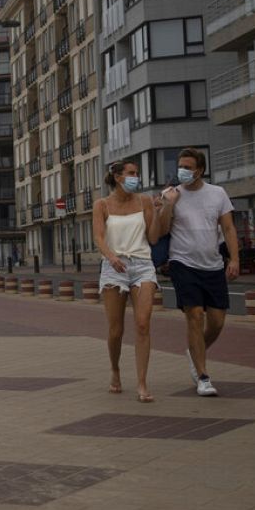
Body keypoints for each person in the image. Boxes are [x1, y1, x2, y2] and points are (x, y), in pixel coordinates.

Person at [151, 147, 239, 397]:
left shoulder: (217, 193)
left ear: (200, 170)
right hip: (183, 262)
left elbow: (229, 228)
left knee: (217, 321)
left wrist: (234, 259)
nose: (182, 171)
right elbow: (163, 229)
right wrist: (168, 205)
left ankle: (194, 350)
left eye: (188, 167)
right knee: (194, 315)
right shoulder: (172, 194)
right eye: (180, 166)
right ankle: (203, 377)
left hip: (213, 264)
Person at [94, 159, 158, 403]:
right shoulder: (102, 205)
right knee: (116, 330)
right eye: (131, 173)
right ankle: (115, 369)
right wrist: (111, 257)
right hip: (113, 266)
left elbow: (153, 237)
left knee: (142, 324)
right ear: (119, 177)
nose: (136, 177)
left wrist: (161, 211)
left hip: (142, 265)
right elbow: (99, 237)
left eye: (137, 173)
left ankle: (142, 382)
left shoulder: (145, 201)